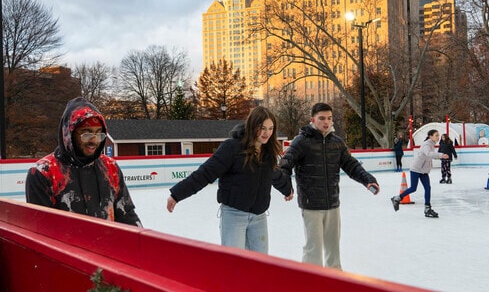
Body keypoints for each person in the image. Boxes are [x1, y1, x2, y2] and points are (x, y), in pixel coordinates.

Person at [167, 106, 293, 254]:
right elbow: (205, 173)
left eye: (271, 128)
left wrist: (287, 189)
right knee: (234, 262)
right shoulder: (232, 148)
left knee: (260, 265)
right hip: (234, 215)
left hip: (259, 216)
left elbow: (274, 174)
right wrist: (177, 194)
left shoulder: (268, 152)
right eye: (262, 128)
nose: (267, 133)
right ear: (252, 126)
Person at [280, 102, 379, 269]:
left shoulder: (337, 143)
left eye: (329, 118)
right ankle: (311, 281)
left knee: (333, 248)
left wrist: (367, 179)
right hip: (311, 205)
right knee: (314, 248)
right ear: (312, 119)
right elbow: (285, 164)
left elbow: (351, 165)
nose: (326, 122)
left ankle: (334, 280)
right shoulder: (301, 142)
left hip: (332, 203)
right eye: (322, 118)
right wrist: (286, 185)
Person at [25, 97, 142, 227]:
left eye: (99, 133)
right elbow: (43, 230)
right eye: (86, 133)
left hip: (107, 245)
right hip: (66, 246)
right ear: (69, 134)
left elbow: (127, 215)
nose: (94, 140)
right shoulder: (43, 173)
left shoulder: (110, 168)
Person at [391, 129, 449, 218]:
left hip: (423, 171)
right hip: (416, 169)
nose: (438, 137)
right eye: (436, 135)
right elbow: (429, 154)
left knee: (428, 188)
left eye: (438, 135)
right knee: (413, 188)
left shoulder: (432, 144)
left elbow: (429, 156)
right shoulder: (427, 144)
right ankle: (397, 198)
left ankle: (427, 208)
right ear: (430, 136)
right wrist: (441, 155)